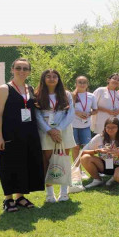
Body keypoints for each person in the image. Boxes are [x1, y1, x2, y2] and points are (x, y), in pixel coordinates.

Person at [0, 58, 44, 212]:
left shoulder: (30, 88)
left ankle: (20, 196)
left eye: (25, 68)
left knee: (25, 164)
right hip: (10, 134)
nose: (21, 71)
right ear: (12, 69)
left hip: (29, 134)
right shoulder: (4, 88)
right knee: (9, 165)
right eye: (18, 68)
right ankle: (8, 199)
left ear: (29, 71)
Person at [34, 69, 76, 203]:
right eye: (48, 76)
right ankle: (50, 194)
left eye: (54, 76)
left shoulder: (66, 94)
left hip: (63, 130)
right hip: (46, 132)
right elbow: (37, 115)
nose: (51, 79)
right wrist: (49, 130)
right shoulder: (38, 95)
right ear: (43, 79)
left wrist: (58, 129)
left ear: (58, 79)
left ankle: (64, 192)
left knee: (63, 159)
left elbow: (70, 114)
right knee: (47, 161)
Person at [81, 117, 119, 188]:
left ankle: (114, 178)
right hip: (104, 164)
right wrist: (97, 151)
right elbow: (83, 152)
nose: (110, 129)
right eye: (108, 127)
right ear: (105, 128)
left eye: (113, 127)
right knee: (85, 158)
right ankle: (97, 179)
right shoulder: (99, 137)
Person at [71, 76, 97, 180]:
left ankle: (90, 170)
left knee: (86, 148)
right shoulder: (71, 96)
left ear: (87, 84)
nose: (82, 84)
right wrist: (77, 112)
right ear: (76, 84)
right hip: (73, 125)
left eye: (84, 82)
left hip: (85, 125)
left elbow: (95, 110)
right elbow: (67, 109)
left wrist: (89, 113)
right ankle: (78, 171)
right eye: (80, 82)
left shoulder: (91, 96)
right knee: (76, 148)